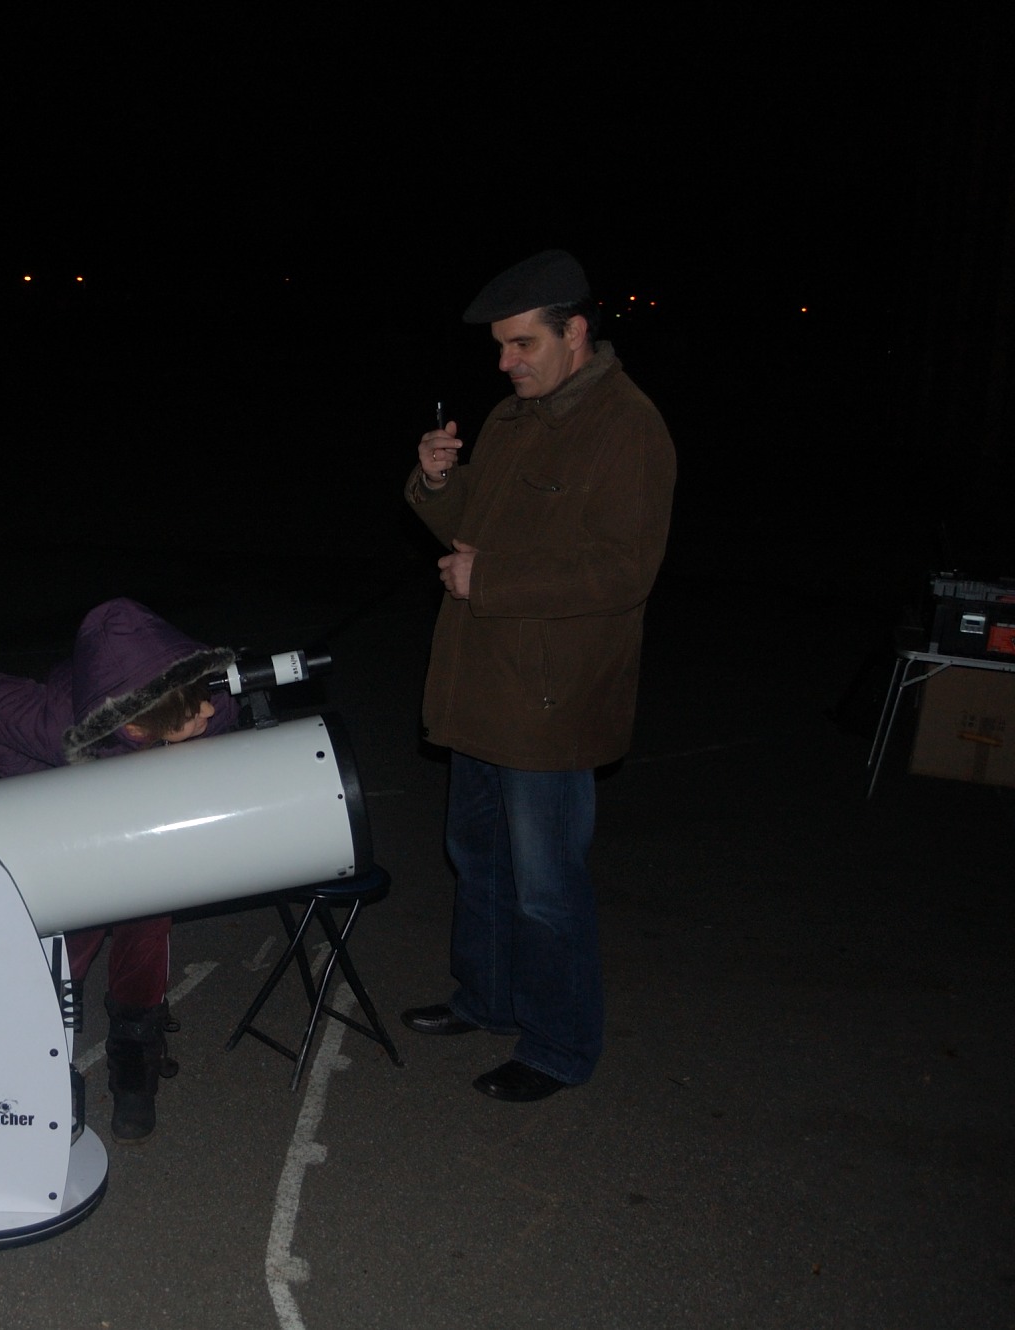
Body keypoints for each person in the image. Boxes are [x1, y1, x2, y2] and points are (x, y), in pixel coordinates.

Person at [401, 249, 677, 1102]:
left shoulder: (628, 427)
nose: (505, 363)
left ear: (576, 331)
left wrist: (492, 582)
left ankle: (558, 1046)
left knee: (546, 889)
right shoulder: (513, 417)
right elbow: (472, 529)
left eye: (522, 344)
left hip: (550, 704)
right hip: (482, 685)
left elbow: (623, 572)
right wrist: (437, 482)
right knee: (477, 858)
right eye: (500, 347)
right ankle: (488, 999)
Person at [0, 597, 235, 1142]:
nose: (209, 710)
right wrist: (35, 783)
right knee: (64, 953)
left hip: (146, 840)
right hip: (78, 841)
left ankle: (134, 1065)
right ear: (140, 728)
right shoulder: (58, 725)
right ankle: (35, 1064)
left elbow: (221, 719)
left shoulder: (200, 703)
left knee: (145, 937)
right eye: (195, 711)